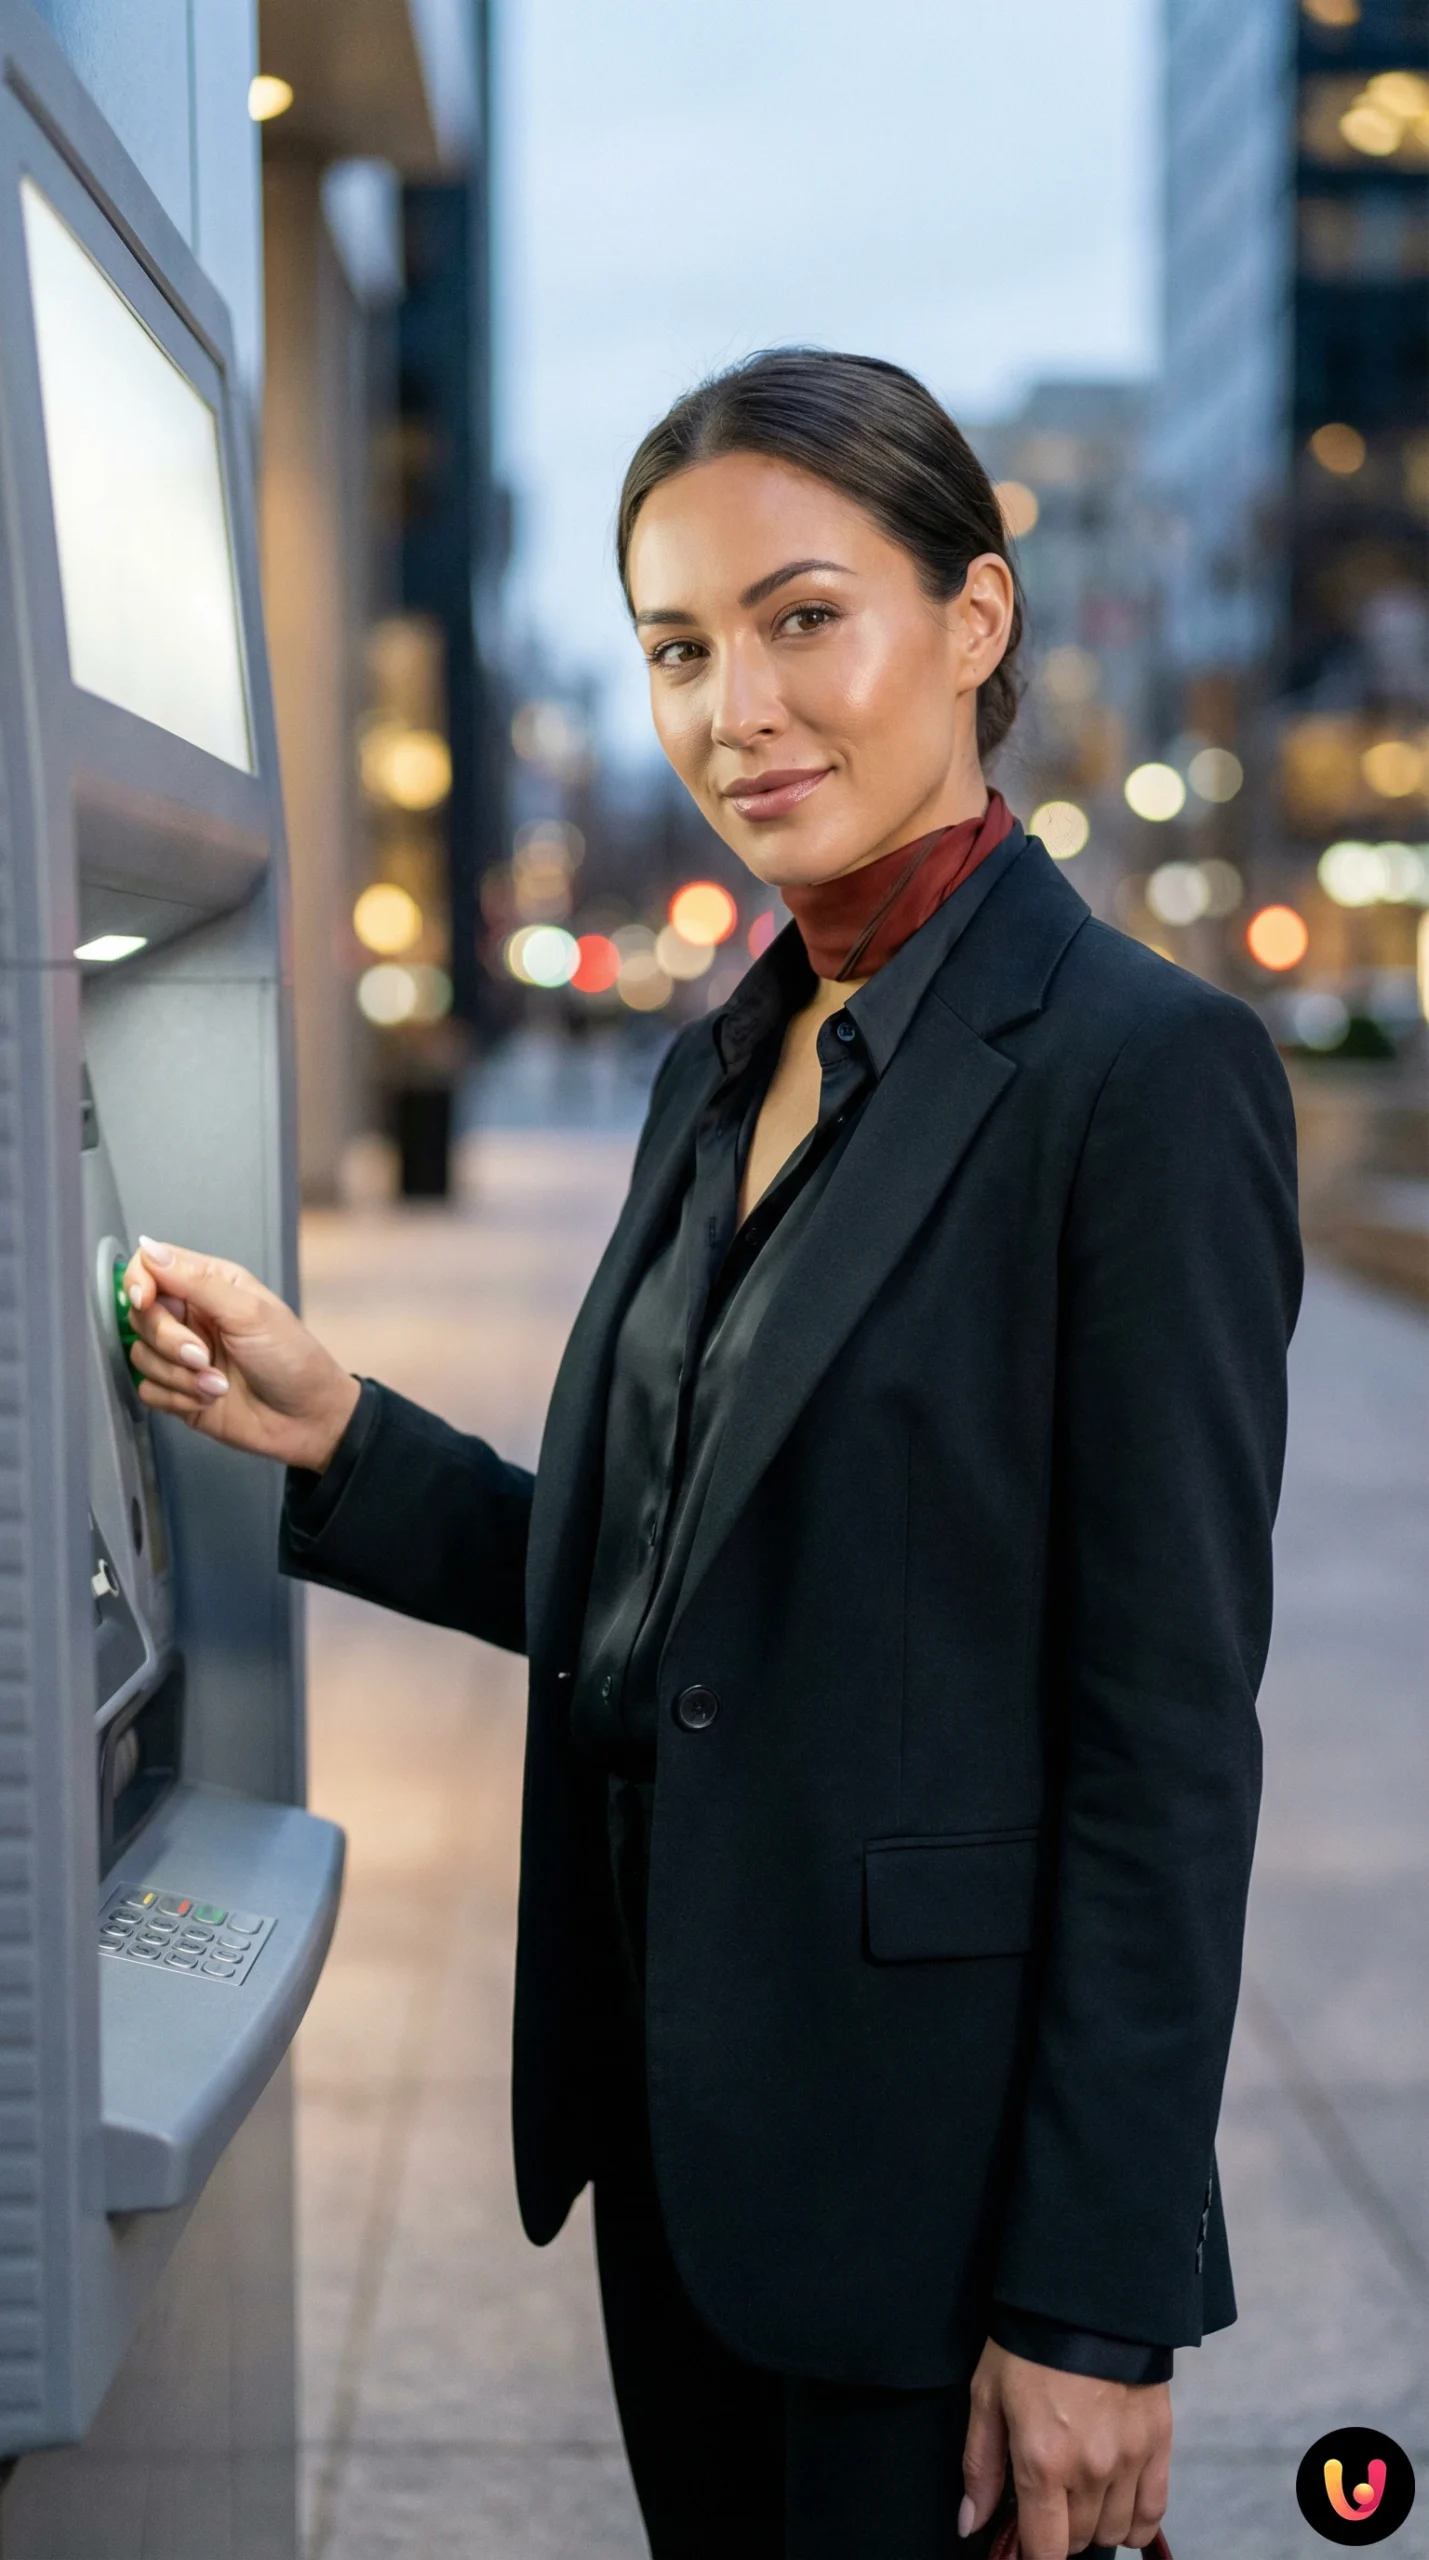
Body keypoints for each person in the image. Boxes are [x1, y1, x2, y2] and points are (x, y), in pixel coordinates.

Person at [122, 350, 1301, 2560]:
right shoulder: (728, 1056)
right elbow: (663, 1576)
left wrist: (1096, 2302)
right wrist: (340, 1429)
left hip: (937, 2209)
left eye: (800, 617)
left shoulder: (1146, 1080)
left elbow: (1165, 1744)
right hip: (679, 2139)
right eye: (677, 645)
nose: (733, 705)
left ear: (973, 623)